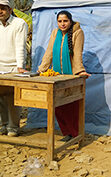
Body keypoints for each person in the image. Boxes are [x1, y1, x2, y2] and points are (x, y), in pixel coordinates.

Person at [38, 10, 90, 141]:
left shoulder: (78, 33)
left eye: (65, 21)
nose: (62, 24)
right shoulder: (55, 33)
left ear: (70, 21)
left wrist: (80, 71)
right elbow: (49, 52)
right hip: (56, 75)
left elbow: (78, 54)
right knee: (57, 106)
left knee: (71, 106)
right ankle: (66, 132)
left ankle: (75, 134)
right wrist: (42, 69)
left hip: (70, 76)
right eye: (60, 21)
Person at [0, 0, 28, 137]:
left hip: (15, 66)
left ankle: (13, 127)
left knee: (13, 98)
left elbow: (20, 45)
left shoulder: (19, 23)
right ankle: (4, 125)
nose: (0, 12)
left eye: (3, 9)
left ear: (10, 10)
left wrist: (20, 66)